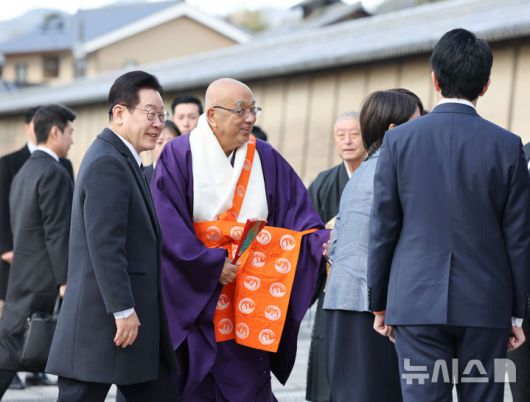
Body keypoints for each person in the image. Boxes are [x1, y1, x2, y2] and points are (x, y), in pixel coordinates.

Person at [368, 28, 530, 402]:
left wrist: (379, 302)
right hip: (486, 305)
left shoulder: (398, 141)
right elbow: (519, 237)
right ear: (485, 85)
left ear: (435, 80)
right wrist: (517, 313)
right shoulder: (508, 146)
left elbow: (383, 227)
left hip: (415, 302)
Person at [151, 77, 329, 401]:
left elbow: (298, 215)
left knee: (249, 380)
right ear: (212, 115)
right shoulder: (179, 154)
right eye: (241, 110)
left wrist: (319, 244)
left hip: (251, 291)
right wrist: (209, 265)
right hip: (199, 293)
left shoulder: (265, 157)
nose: (250, 118)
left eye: (253, 109)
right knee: (196, 382)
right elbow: (167, 223)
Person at [46, 71, 180, 402]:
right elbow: (105, 244)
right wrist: (123, 309)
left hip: (127, 325)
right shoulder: (108, 162)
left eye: (162, 115)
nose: (158, 124)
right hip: (105, 325)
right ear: (120, 113)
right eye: (150, 114)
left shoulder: (123, 159)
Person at [323, 89, 422, 402]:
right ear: (394, 130)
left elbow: (336, 244)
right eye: (418, 122)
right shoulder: (394, 171)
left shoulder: (364, 170)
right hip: (372, 308)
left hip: (345, 302)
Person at [0, 104, 75, 399]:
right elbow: (57, 232)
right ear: (55, 132)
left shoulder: (26, 170)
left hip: (22, 274)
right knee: (13, 350)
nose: (72, 140)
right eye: (69, 133)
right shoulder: (53, 172)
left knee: (10, 347)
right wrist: (65, 280)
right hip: (43, 278)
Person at [305, 111, 365, 402]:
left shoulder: (378, 177)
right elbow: (305, 232)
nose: (347, 141)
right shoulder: (324, 182)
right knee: (327, 359)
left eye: (354, 134)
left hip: (367, 288)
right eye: (341, 135)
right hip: (331, 286)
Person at [144, 119, 181, 184]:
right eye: (159, 142)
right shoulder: (141, 175)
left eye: (171, 143)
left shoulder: (189, 174)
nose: (165, 147)